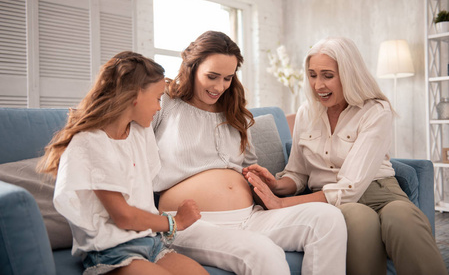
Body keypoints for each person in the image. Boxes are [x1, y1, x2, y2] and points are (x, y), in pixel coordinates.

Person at [243, 36, 448, 275]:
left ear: (349, 75)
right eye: (312, 74)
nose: (318, 85)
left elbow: (351, 187)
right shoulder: (306, 112)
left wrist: (281, 204)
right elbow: (298, 172)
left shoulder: (376, 110)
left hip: (380, 191)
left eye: (327, 75)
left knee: (404, 219)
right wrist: (276, 185)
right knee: (359, 220)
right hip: (332, 200)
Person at [152, 30, 347, 275]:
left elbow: (248, 167)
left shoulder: (236, 114)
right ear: (191, 67)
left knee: (328, 219)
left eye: (227, 78)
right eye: (212, 76)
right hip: (190, 223)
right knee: (264, 252)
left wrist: (263, 182)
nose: (219, 86)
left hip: (250, 216)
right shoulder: (165, 104)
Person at [37, 51, 208, 275]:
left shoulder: (140, 131)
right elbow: (124, 216)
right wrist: (174, 222)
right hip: (113, 250)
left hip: (152, 243)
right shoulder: (90, 143)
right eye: (157, 98)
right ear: (134, 95)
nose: (159, 107)